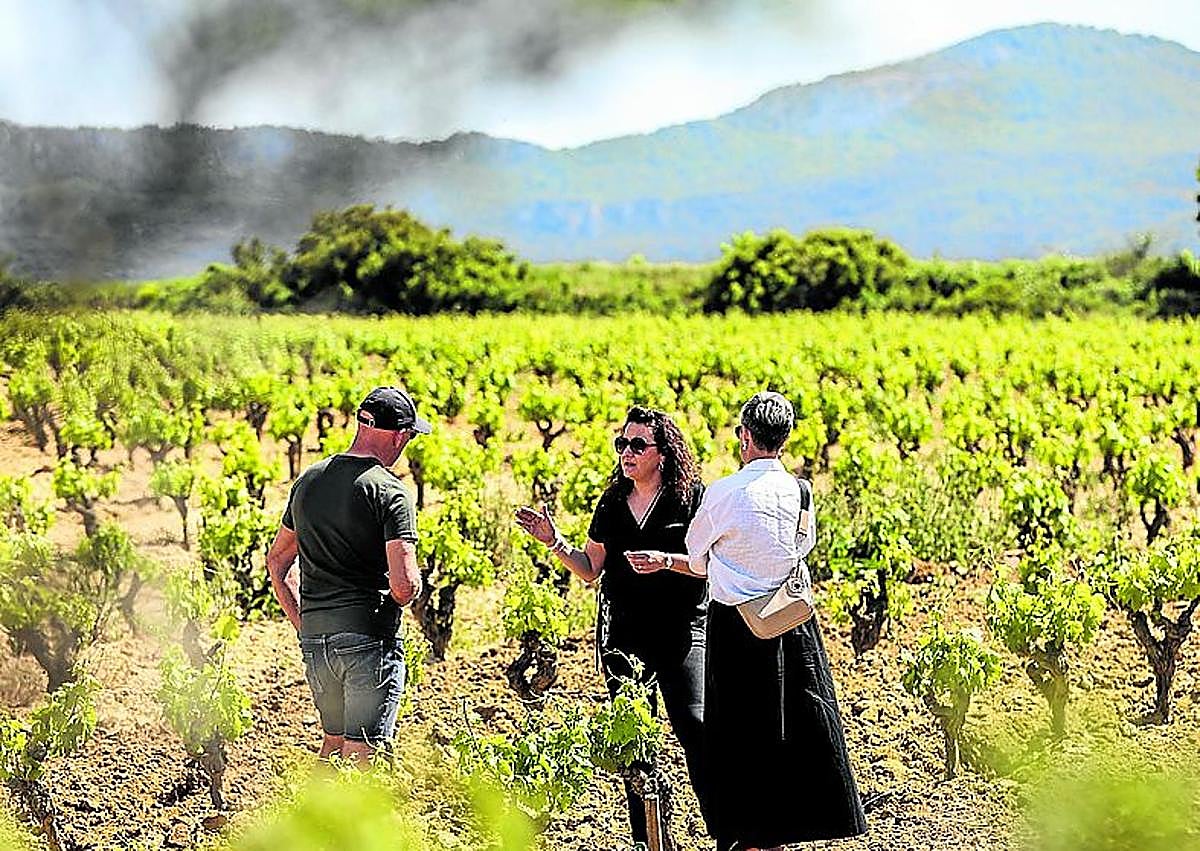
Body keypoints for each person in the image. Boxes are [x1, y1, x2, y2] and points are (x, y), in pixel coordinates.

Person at [514, 405, 710, 844]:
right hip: (623, 637)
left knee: (694, 726)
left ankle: (727, 830)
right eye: (622, 443)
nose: (627, 452)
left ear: (664, 453)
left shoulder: (693, 499)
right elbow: (589, 568)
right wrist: (553, 540)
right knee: (634, 741)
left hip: (682, 633)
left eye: (638, 444)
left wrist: (666, 562)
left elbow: (709, 565)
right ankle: (650, 839)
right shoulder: (612, 502)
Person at [684, 391, 867, 851]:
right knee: (796, 728)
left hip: (735, 627)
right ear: (784, 439)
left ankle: (748, 837)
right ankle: (785, 835)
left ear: (745, 436)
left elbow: (695, 553)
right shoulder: (800, 490)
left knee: (738, 735)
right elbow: (803, 547)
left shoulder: (722, 492)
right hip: (791, 622)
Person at [266, 386, 430, 766]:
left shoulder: (308, 481)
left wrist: (304, 623)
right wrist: (415, 584)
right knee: (363, 757)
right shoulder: (390, 491)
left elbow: (277, 561)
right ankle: (349, 826)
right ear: (400, 434)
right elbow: (403, 588)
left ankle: (307, 823)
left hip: (317, 643)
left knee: (332, 746)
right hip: (368, 639)